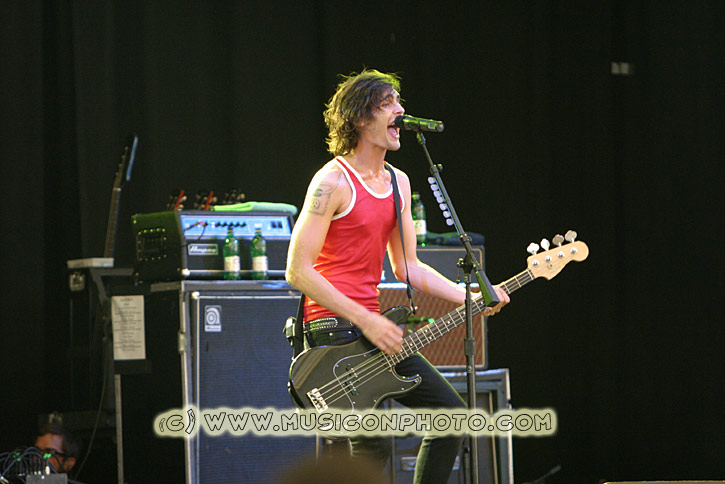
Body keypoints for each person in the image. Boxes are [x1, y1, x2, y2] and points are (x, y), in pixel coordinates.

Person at [286, 69, 510, 483]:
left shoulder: (398, 182)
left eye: (398, 101)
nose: (400, 111)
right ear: (360, 118)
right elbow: (297, 270)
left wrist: (471, 296)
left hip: (372, 328)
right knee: (373, 447)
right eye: (387, 103)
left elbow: (408, 266)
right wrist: (368, 320)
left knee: (451, 416)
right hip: (333, 330)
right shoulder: (331, 182)